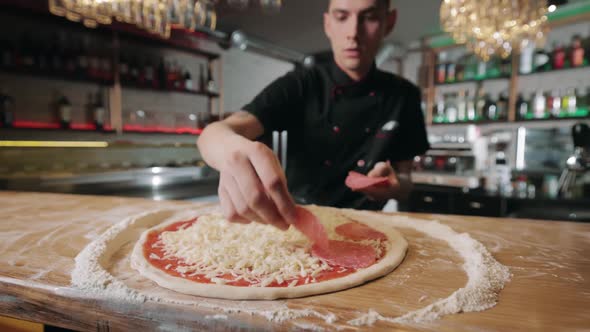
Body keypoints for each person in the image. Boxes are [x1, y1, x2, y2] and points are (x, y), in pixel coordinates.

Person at [197, 0, 430, 230]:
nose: (353, 33)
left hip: (368, 226)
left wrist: (394, 185)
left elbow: (406, 180)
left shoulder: (405, 95)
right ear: (328, 24)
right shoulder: (301, 83)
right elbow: (217, 132)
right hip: (299, 223)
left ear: (389, 22)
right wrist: (229, 148)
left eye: (369, 17)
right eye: (341, 17)